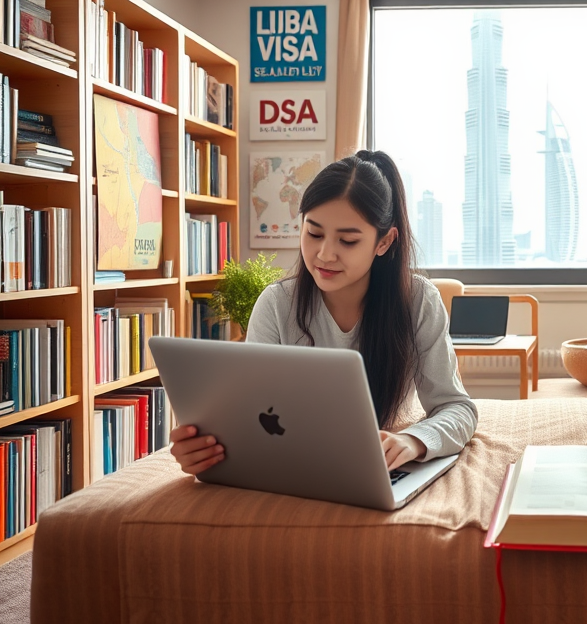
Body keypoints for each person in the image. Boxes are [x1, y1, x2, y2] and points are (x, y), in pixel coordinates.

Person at [170, 150, 478, 476]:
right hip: (294, 464)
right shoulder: (276, 304)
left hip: (376, 468)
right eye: (313, 233)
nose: (324, 254)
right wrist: (208, 448)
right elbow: (252, 413)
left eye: (347, 241)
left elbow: (456, 407)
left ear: (384, 242)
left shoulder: (418, 301)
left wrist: (414, 441)